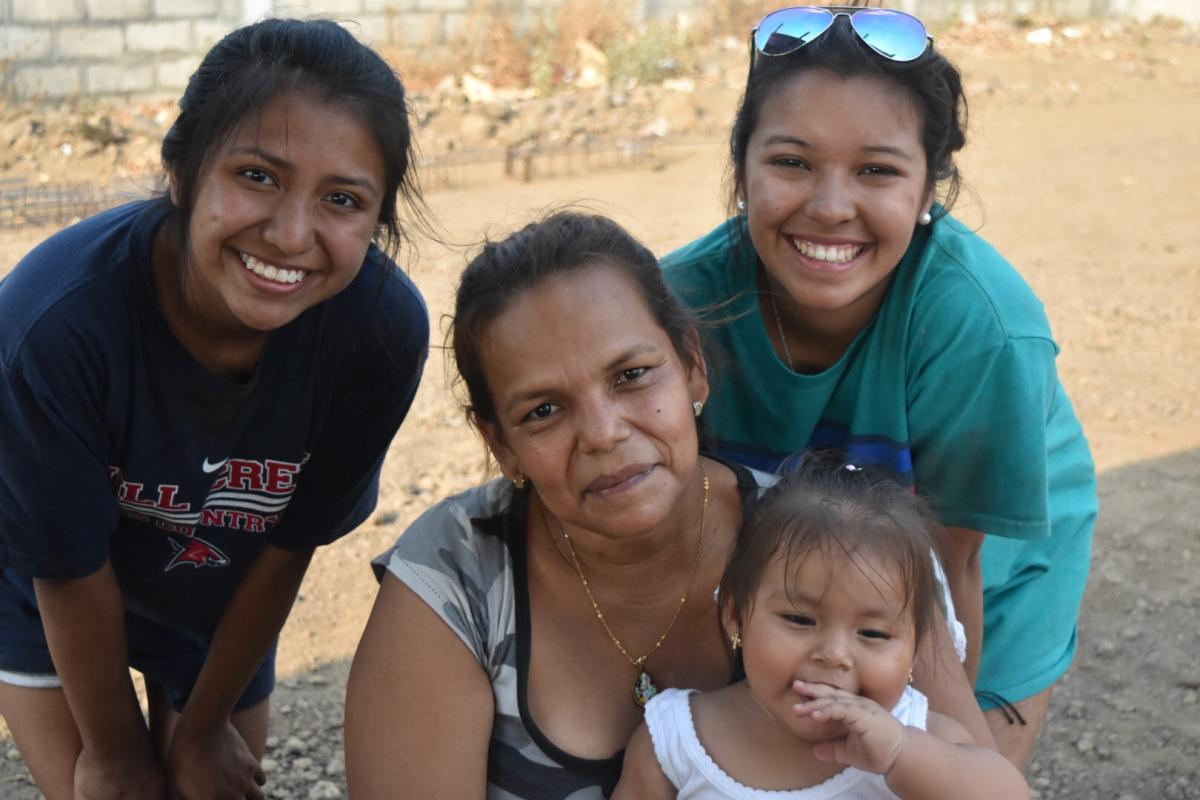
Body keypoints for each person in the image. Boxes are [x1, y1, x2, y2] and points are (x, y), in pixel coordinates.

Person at [345, 212, 988, 799]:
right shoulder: (456, 574)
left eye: (631, 376)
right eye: (543, 411)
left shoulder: (843, 543)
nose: (603, 433)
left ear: (692, 369)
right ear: (502, 445)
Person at [0, 19, 429, 800]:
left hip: (216, 592)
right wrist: (113, 750)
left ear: (377, 222)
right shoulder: (54, 325)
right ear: (181, 169)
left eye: (341, 198)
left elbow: (286, 546)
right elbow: (66, 566)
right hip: (45, 592)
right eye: (258, 176)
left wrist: (201, 729)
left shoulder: (377, 336)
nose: (292, 234)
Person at [660, 6, 1097, 770]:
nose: (831, 207)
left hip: (977, 569)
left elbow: (953, 569)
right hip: (805, 579)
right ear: (741, 172)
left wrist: (944, 754)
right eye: (792, 162)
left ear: (932, 188)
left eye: (877, 170)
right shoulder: (682, 307)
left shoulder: (981, 326)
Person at [613, 457, 1029, 799]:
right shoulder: (677, 741)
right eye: (799, 619)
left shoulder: (918, 731)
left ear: (915, 647)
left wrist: (902, 754)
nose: (833, 654)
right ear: (736, 614)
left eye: (874, 634)